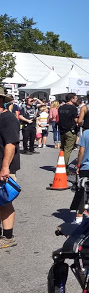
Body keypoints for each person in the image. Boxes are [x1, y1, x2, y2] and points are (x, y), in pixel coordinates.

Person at [0, 95, 21, 248]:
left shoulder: (8, 118)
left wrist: (5, 167)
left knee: (4, 201)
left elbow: (11, 144)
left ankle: (8, 237)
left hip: (2, 167)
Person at [58, 93, 80, 167]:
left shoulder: (61, 107)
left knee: (63, 149)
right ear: (71, 99)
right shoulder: (73, 108)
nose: (76, 99)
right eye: (75, 98)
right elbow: (76, 120)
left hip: (62, 130)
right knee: (67, 150)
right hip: (70, 130)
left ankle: (61, 165)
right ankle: (64, 168)